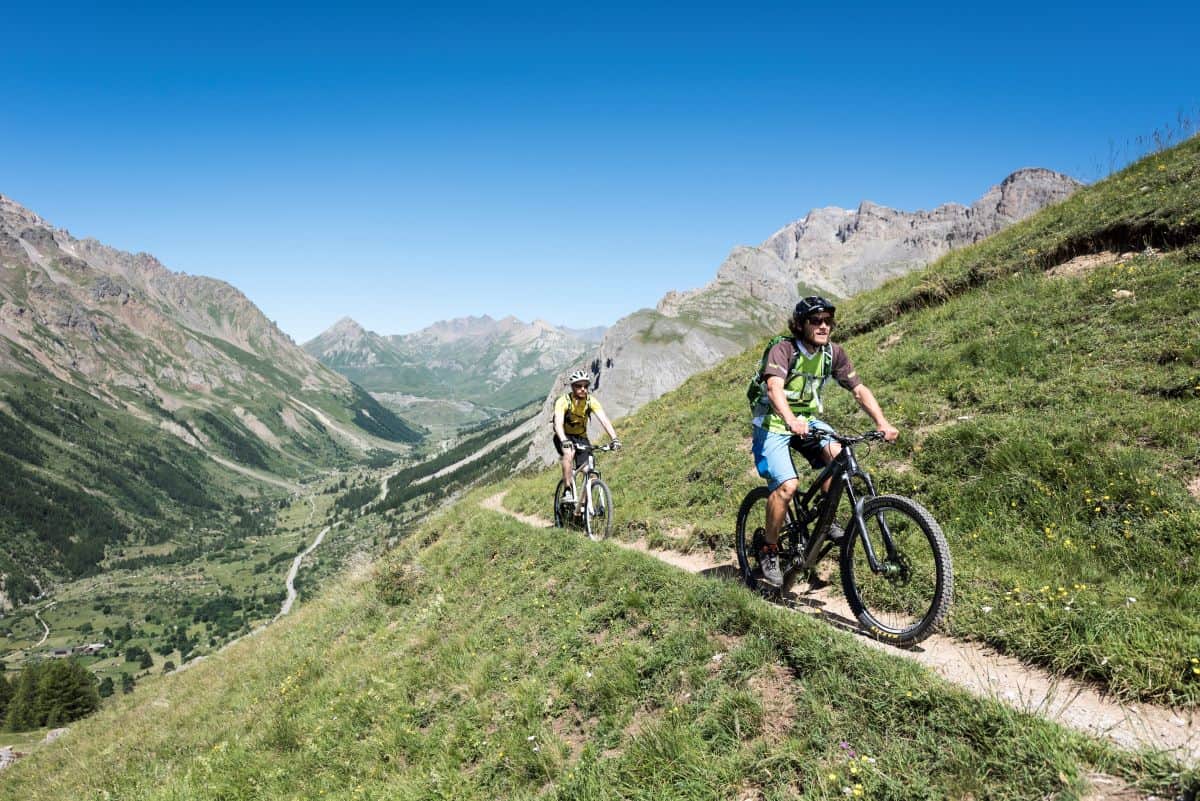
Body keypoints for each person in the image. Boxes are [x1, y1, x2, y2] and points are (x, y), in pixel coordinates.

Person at [748, 296, 898, 586]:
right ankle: (768, 548)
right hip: (773, 422)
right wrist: (790, 420)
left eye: (828, 321)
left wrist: (882, 423)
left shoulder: (833, 353)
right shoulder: (784, 349)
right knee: (787, 486)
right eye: (816, 320)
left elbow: (858, 389)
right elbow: (774, 387)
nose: (823, 326)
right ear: (800, 324)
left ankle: (824, 518)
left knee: (839, 454)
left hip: (807, 421)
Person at [553, 369, 620, 503]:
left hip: (581, 437)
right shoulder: (563, 401)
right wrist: (564, 440)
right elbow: (558, 424)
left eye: (585, 386)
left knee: (589, 470)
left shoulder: (591, 401)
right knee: (569, 454)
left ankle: (582, 507)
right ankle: (567, 490)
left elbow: (604, 420)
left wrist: (614, 438)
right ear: (572, 387)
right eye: (579, 386)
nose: (583, 389)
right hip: (563, 436)